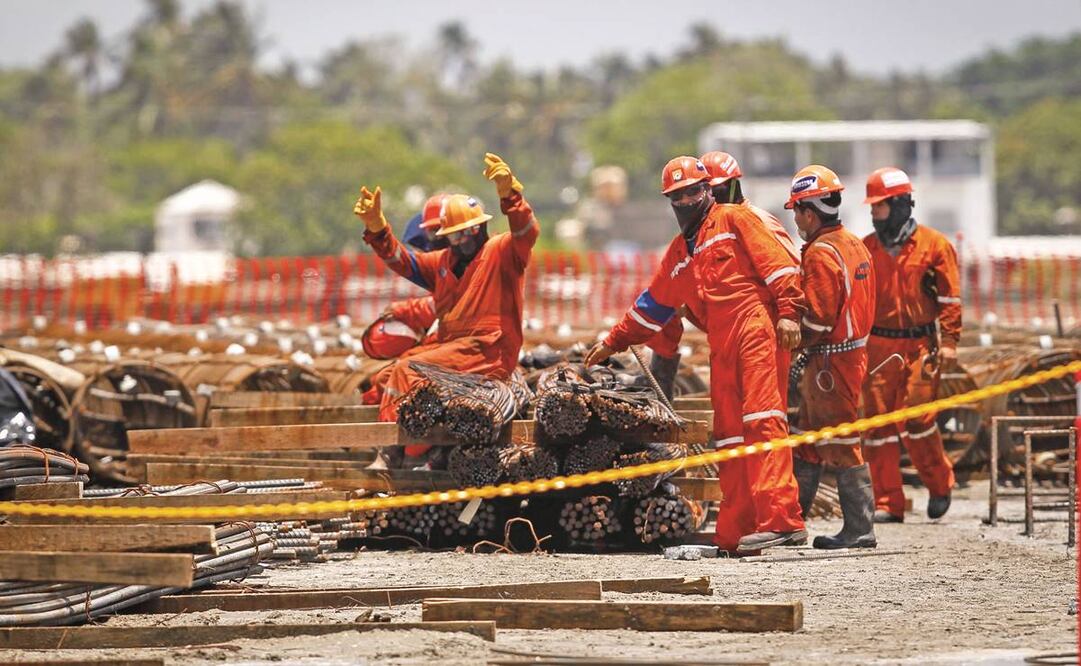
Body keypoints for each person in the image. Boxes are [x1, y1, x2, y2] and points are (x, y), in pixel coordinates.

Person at [584, 155, 807, 554]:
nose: (686, 200)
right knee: (730, 435)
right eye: (678, 195)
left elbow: (780, 268)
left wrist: (789, 313)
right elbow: (653, 304)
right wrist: (614, 340)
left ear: (708, 190)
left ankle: (782, 520)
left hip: (755, 327)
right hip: (721, 342)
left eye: (693, 192)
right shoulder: (681, 252)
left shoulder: (738, 219)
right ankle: (736, 533)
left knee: (762, 420)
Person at [353, 154, 539, 460]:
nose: (461, 240)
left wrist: (511, 197)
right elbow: (404, 262)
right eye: (454, 235)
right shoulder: (443, 263)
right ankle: (417, 440)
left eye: (466, 232)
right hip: (455, 348)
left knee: (406, 370)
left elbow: (526, 232)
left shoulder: (502, 252)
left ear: (480, 228)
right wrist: (378, 230)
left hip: (489, 351)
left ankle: (393, 451)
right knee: (386, 377)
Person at [860, 167, 961, 522]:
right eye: (872, 207)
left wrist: (949, 342)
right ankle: (889, 503)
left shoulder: (935, 246)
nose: (874, 214)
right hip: (877, 347)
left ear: (901, 204)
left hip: (921, 345)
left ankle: (940, 483)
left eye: (880, 206)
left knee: (919, 418)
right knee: (877, 426)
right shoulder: (865, 249)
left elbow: (950, 300)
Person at [785, 164, 877, 549]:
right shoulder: (853, 243)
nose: (796, 222)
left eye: (797, 214)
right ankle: (793, 523)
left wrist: (789, 338)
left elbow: (819, 320)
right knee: (808, 438)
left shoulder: (821, 254)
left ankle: (859, 529)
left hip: (830, 363)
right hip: (845, 357)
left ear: (809, 211)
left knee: (840, 441)